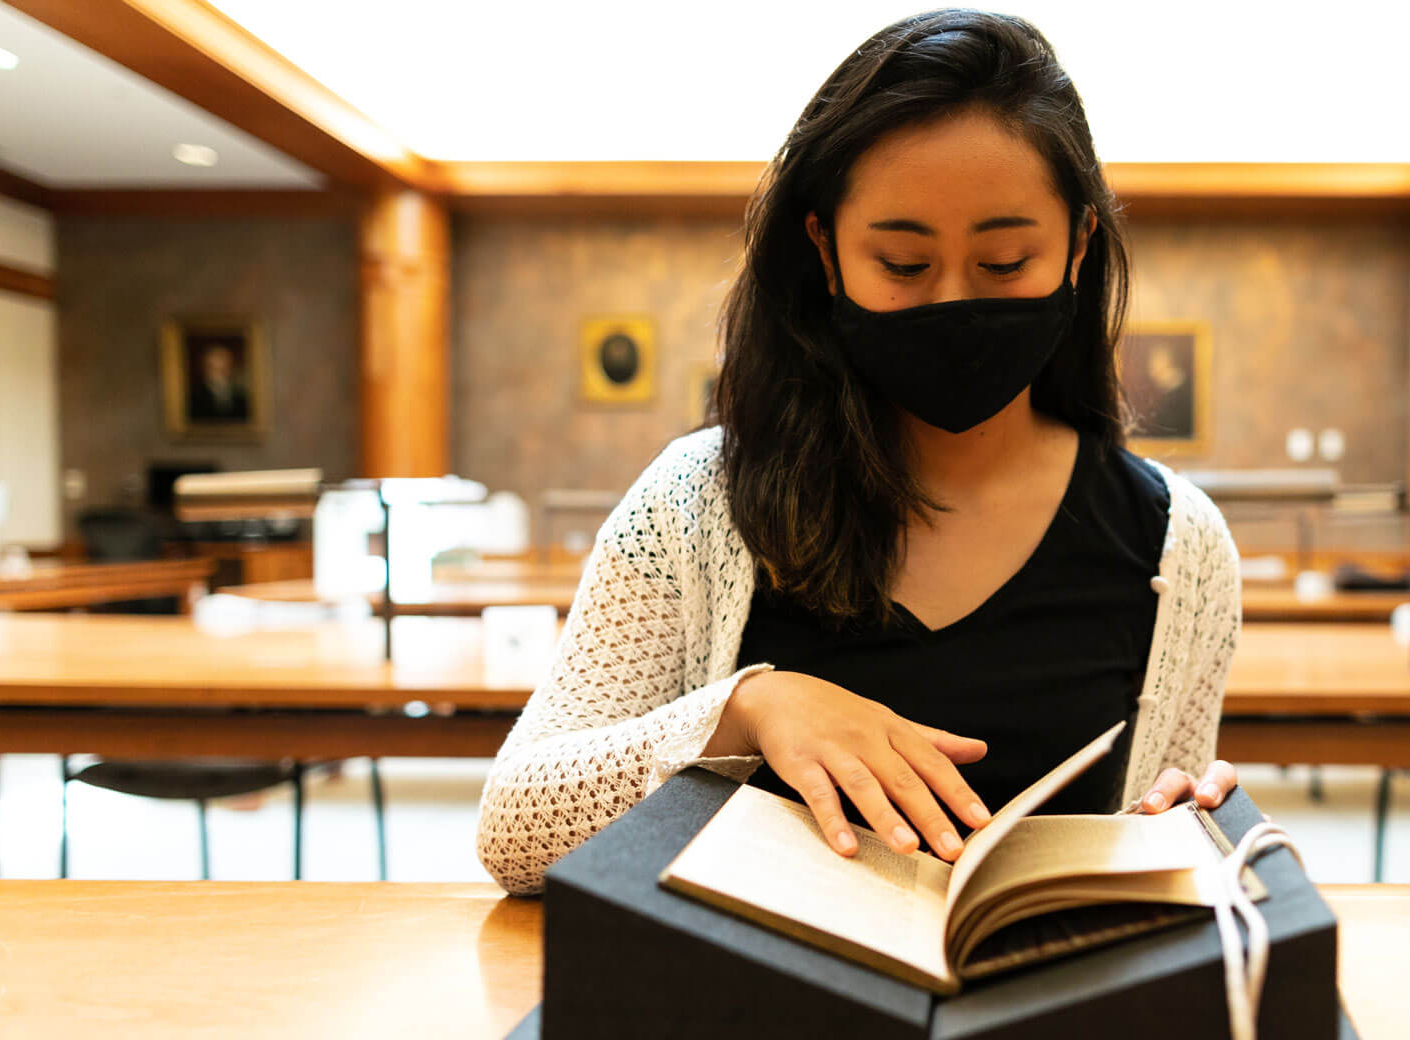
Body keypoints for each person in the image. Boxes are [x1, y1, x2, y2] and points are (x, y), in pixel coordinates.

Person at [477, 9, 1241, 896]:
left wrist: (1190, 829)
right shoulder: (697, 505)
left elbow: (1164, 840)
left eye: (1004, 262)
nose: (954, 303)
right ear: (826, 253)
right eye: (903, 265)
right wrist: (746, 711)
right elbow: (516, 832)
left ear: (1078, 244)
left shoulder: (1178, 548)